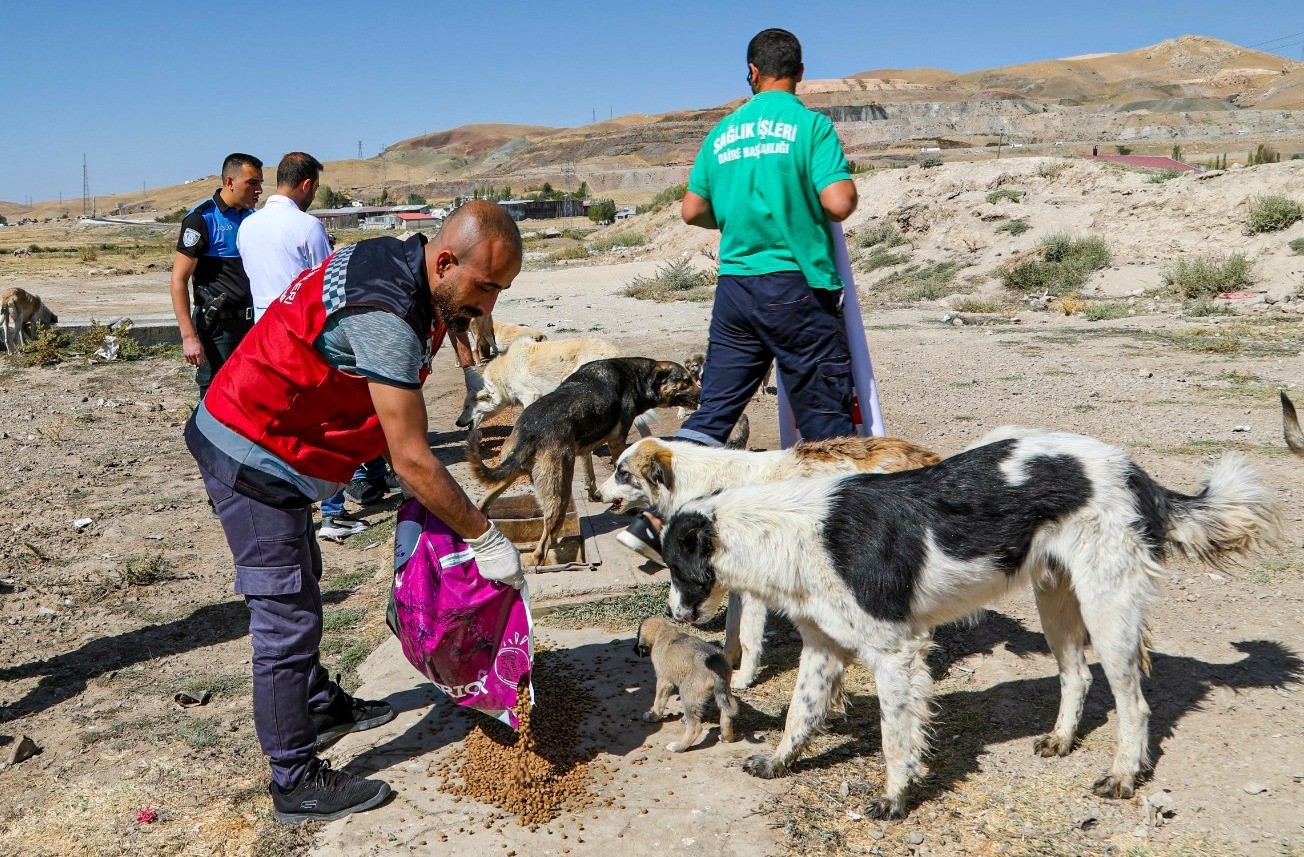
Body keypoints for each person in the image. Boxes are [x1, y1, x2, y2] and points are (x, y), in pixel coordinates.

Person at [185, 200, 525, 823]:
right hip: (254, 451)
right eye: (485, 288)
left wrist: (472, 362)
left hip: (283, 443)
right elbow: (412, 461)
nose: (489, 305)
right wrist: (484, 536)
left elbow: (447, 313)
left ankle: (314, 702)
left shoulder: (413, 265)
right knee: (285, 617)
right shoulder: (387, 317)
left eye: (501, 290)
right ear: (446, 261)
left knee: (304, 581)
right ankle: (294, 778)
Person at [618, 28, 859, 564]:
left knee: (713, 414)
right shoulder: (811, 126)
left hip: (736, 292)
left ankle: (655, 519)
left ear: (752, 72)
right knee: (826, 428)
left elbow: (692, 210)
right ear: (799, 71)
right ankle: (836, 552)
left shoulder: (723, 133)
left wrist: (735, 208)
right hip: (797, 289)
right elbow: (839, 202)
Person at [236, 151, 372, 540]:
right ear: (307, 184)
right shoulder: (307, 226)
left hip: (263, 333)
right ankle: (333, 512)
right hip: (304, 333)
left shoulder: (249, 226)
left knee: (276, 420)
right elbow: (331, 284)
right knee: (324, 420)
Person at [169, 153, 264, 397]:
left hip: (251, 324)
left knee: (248, 393)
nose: (259, 190)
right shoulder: (202, 219)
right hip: (218, 328)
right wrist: (189, 336)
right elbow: (178, 280)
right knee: (215, 396)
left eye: (260, 183)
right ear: (230, 182)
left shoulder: (252, 218)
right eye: (252, 183)